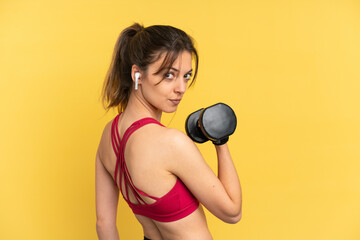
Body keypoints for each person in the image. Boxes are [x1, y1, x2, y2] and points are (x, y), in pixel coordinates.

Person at [95, 23, 242, 240]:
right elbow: (232, 212)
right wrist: (220, 139)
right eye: (169, 75)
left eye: (186, 76)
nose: (181, 88)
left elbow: (104, 224)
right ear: (137, 75)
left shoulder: (108, 135)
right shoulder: (171, 143)